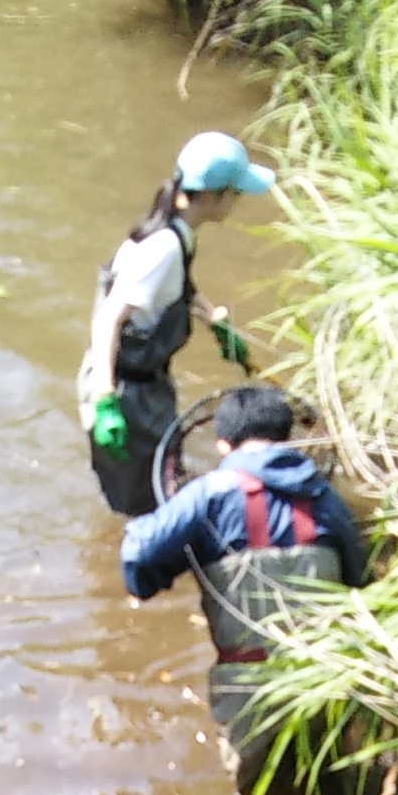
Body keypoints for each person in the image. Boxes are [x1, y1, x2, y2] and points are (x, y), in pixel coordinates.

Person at [118, 383, 367, 793]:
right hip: (324, 675)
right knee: (325, 786)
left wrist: (149, 556)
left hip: (248, 684)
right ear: (287, 437)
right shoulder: (327, 500)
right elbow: (359, 581)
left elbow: (137, 561)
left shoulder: (209, 495)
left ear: (223, 445)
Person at [81, 132, 273, 520]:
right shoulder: (163, 248)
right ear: (213, 196)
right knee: (143, 504)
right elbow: (108, 320)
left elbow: (178, 287)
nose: (236, 203)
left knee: (162, 478)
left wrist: (213, 319)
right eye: (235, 194)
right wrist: (105, 403)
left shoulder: (176, 231)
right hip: (122, 392)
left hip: (143, 383)